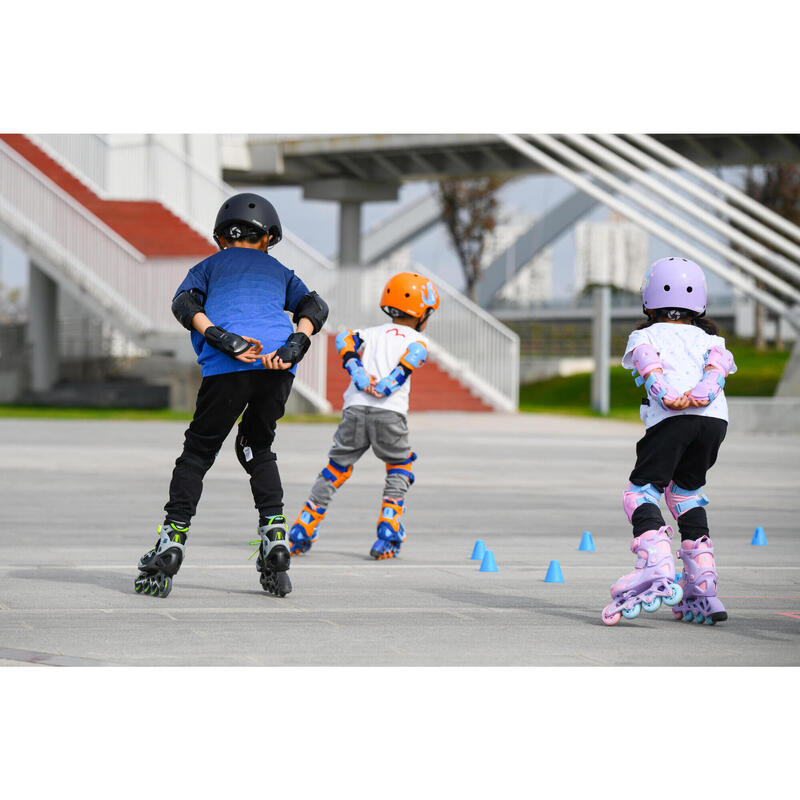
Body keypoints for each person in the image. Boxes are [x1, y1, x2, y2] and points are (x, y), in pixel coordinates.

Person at [134, 193, 329, 599]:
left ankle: (171, 541)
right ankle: (275, 535)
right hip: (277, 364)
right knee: (257, 446)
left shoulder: (208, 266)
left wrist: (220, 336)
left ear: (222, 237)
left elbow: (184, 304)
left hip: (229, 364)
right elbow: (314, 305)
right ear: (269, 237)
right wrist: (297, 342)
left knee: (198, 453)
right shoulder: (278, 270)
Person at [602, 257, 737, 627]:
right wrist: (701, 394)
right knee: (684, 494)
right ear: (701, 304)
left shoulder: (644, 335)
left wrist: (668, 395)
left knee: (641, 494)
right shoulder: (712, 339)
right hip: (714, 423)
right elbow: (717, 372)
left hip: (673, 420)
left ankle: (656, 565)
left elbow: (650, 368)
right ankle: (702, 582)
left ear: (648, 302)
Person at [288, 271, 440, 560]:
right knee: (400, 466)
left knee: (336, 468)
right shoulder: (416, 339)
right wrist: (389, 384)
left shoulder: (371, 333)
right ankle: (388, 528)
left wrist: (357, 371)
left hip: (355, 409)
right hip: (389, 414)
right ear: (422, 313)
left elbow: (344, 338)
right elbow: (414, 357)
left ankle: (304, 527)